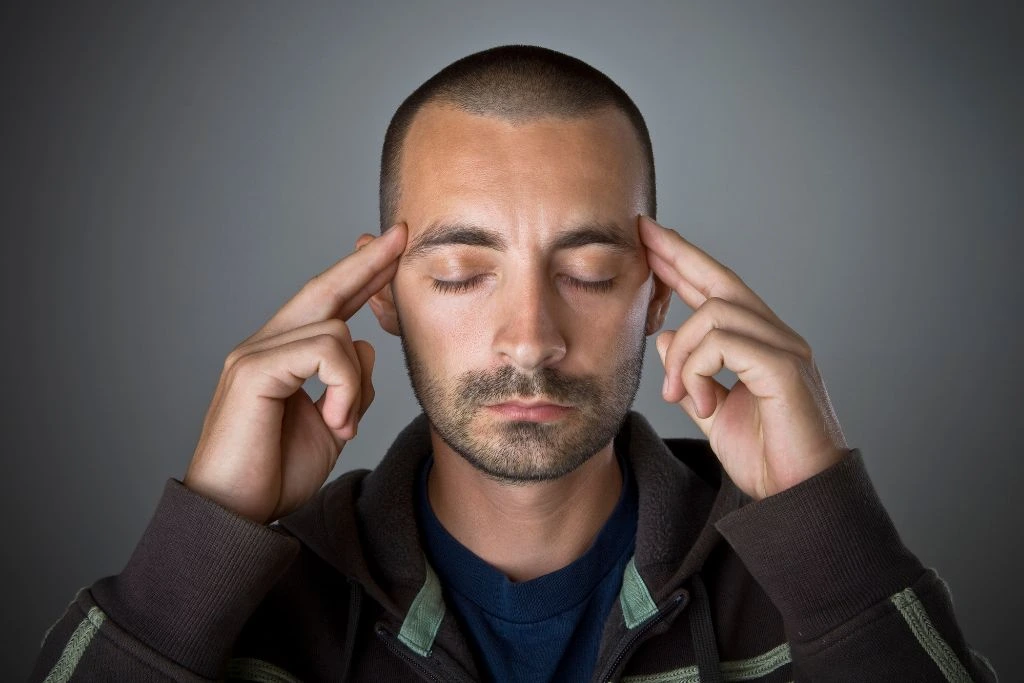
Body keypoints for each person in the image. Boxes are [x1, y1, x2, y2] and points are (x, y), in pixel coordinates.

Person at [31, 44, 996, 683]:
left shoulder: (797, 595)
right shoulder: (252, 617)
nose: (528, 336)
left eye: (585, 270)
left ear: (655, 294)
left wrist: (826, 522)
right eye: (459, 273)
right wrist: (205, 533)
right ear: (383, 295)